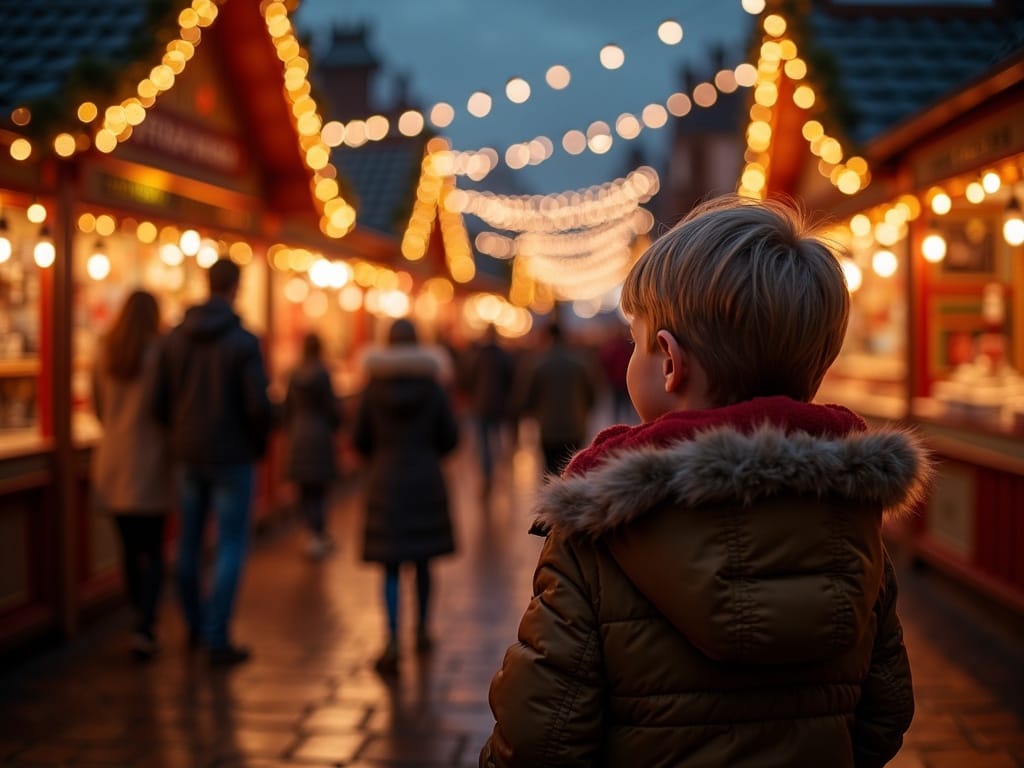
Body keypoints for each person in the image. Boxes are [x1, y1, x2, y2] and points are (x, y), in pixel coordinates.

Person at [480, 195, 932, 767]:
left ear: (668, 362)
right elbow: (885, 713)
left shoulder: (599, 534)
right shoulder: (853, 521)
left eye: (637, 339)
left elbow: (539, 738)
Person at [151, 259, 273, 667]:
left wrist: (179, 433)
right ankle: (215, 635)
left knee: (187, 543)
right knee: (230, 545)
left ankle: (195, 625)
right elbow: (258, 405)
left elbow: (160, 401)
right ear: (235, 288)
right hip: (232, 456)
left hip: (187, 455)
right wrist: (258, 444)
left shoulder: (174, 338)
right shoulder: (243, 341)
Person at [353, 318, 459, 676]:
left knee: (391, 565)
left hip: (385, 478)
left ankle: (392, 638)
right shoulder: (433, 387)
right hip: (426, 478)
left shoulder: (372, 387)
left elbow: (360, 438)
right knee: (424, 561)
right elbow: (450, 437)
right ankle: (423, 629)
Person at [91, 290, 171, 662]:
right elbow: (166, 407)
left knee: (127, 548)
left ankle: (138, 615)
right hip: (151, 458)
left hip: (113, 459)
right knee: (153, 548)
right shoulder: (159, 353)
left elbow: (98, 406)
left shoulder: (105, 350)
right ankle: (146, 624)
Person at [283, 331, 342, 559]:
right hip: (319, 436)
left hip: (298, 436)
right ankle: (318, 534)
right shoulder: (324, 374)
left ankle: (311, 533)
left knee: (304, 490)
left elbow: (287, 410)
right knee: (320, 490)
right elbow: (332, 409)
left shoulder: (293, 374)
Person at [519, 320, 596, 475]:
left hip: (549, 429)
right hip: (575, 426)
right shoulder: (580, 362)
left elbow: (529, 398)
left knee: (551, 473)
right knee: (573, 471)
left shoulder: (539, 364)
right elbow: (591, 394)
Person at [466, 323, 515, 494]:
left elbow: (469, 377)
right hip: (498, 403)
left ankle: (488, 472)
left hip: (481, 404)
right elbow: (511, 378)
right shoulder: (503, 355)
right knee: (498, 437)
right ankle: (499, 466)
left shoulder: (478, 355)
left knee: (484, 442)